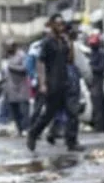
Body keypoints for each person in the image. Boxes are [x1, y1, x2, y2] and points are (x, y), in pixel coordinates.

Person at [27, 15, 81, 152]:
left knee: (72, 113)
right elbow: (40, 63)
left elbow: (70, 60)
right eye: (58, 24)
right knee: (49, 114)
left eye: (62, 23)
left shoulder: (63, 41)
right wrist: (43, 83)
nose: (61, 26)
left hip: (65, 83)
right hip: (53, 83)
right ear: (51, 25)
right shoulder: (47, 42)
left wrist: (71, 42)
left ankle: (72, 142)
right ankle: (33, 133)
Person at [2, 43, 30, 134]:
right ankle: (20, 129)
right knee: (14, 110)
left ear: (14, 46)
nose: (7, 49)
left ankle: (26, 128)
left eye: (9, 47)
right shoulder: (8, 57)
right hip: (10, 87)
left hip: (21, 86)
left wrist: (12, 67)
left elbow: (25, 68)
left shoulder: (22, 55)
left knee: (23, 109)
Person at [87, 32, 104, 132]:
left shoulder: (100, 54)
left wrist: (91, 68)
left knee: (98, 104)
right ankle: (97, 124)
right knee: (95, 104)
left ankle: (100, 126)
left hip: (98, 81)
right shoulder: (92, 54)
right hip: (93, 82)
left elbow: (101, 67)